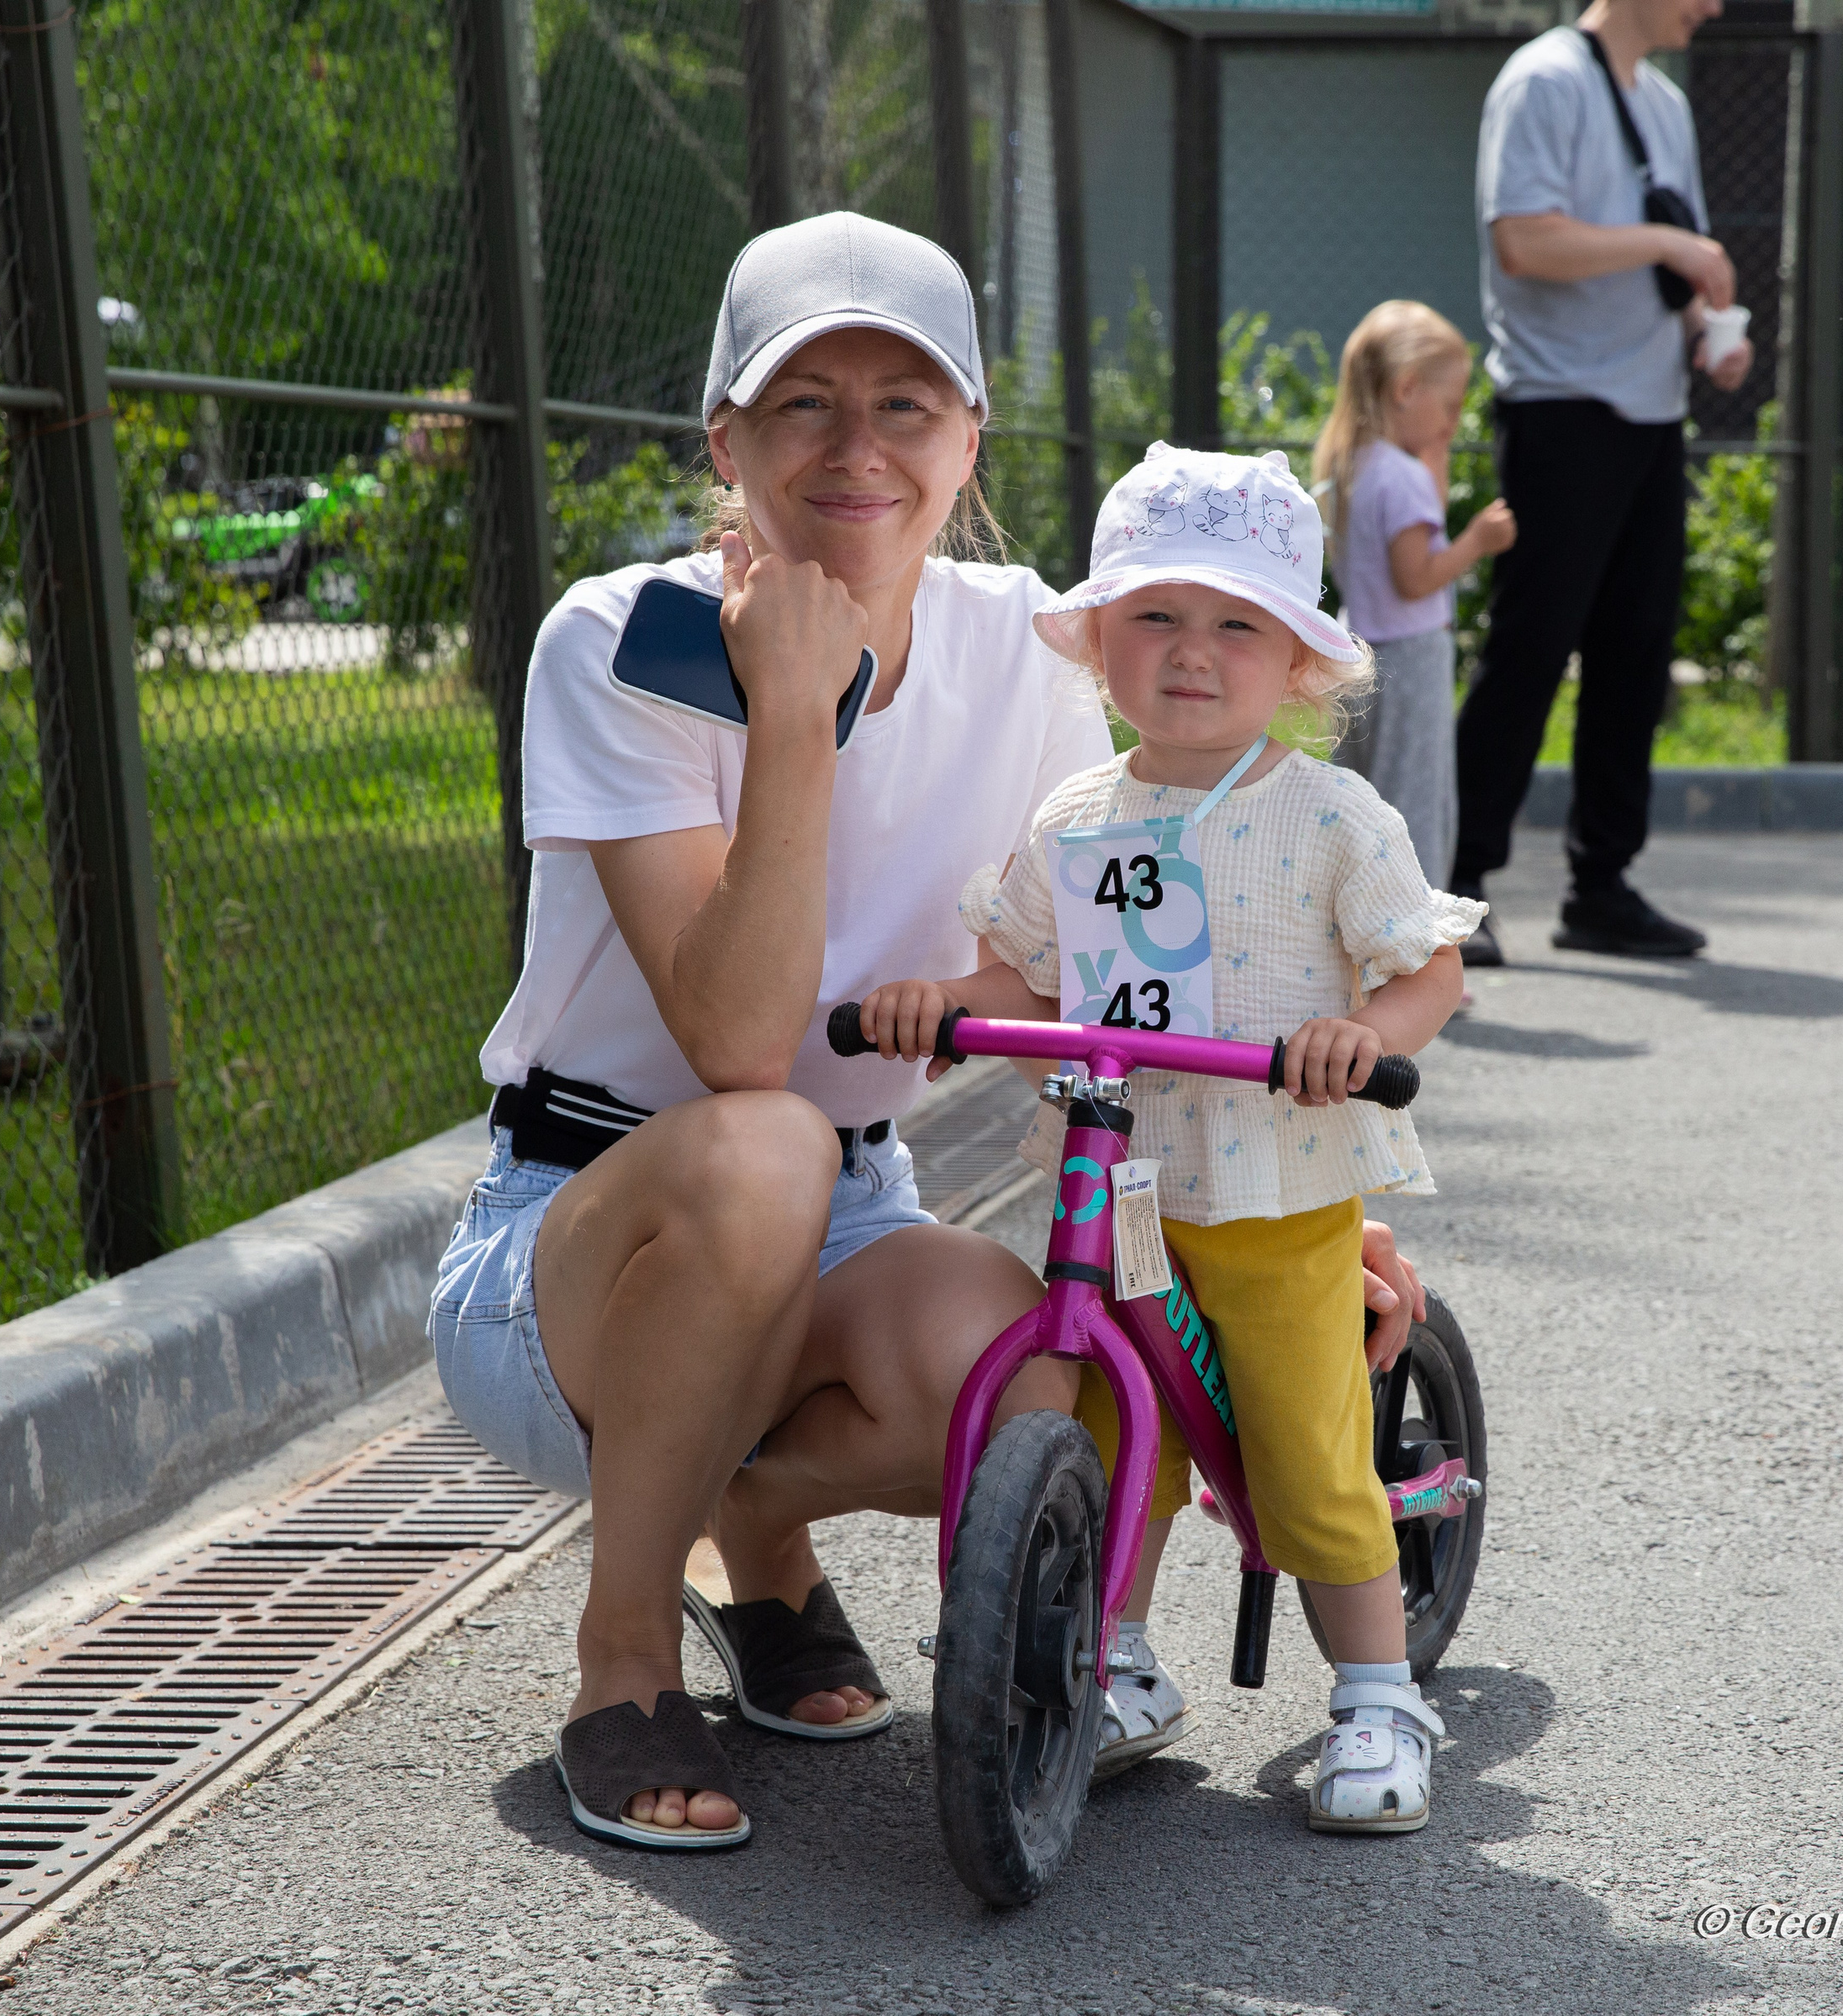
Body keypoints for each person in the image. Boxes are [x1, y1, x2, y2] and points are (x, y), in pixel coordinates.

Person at [426, 212, 1434, 1850]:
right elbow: (741, 1038)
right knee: (764, 1141)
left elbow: (1143, 957)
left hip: (853, 1206)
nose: (856, 445)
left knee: (1049, 1373)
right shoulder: (621, 641)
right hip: (576, 1239)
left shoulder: (1031, 647)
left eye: (905, 405)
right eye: (802, 401)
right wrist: (794, 711)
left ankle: (753, 1541)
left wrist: (1281, 1191)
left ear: (967, 438)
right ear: (724, 438)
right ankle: (621, 1661)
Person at [856, 442, 1479, 1833]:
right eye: (1155, 617)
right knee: (1094, 1413)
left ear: (1299, 663)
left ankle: (1381, 1690)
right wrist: (934, 1005)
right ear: (1101, 645)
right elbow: (1029, 977)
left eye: (1235, 623)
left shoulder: (1327, 815)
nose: (1192, 652)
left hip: (1273, 1186)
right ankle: (1113, 1648)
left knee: (1307, 1447)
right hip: (1114, 1177)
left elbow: (1427, 965)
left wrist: (1365, 1037)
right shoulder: (1081, 815)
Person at [1458, 0, 1754, 963]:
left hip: (1652, 410)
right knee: (1532, 648)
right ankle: (1455, 885)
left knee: (1636, 652)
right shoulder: (1544, 82)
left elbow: (1675, 267)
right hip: (1560, 410)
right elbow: (1525, 240)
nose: (1710, 6)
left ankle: (1601, 886)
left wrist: (1707, 343)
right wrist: (1667, 246)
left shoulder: (1664, 104)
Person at [1313, 300, 1517, 889]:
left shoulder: (1353, 464)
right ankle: (1420, 957)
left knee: (1362, 796)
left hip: (1361, 650)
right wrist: (1477, 541)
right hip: (1413, 656)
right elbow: (1416, 578)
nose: (1453, 422)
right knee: (1416, 806)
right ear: (1407, 388)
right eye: (1449, 404)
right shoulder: (1400, 477)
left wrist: (1434, 459)